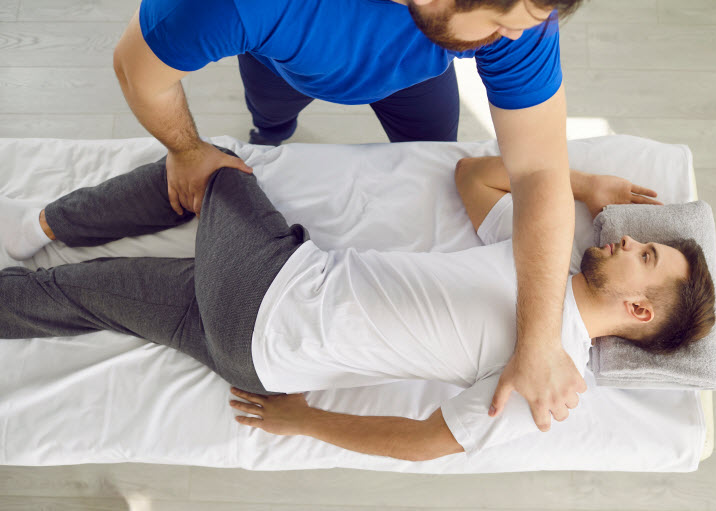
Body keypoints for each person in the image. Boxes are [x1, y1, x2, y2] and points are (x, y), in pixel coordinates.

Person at [0, 147, 716, 460]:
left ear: (640, 312)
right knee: (78, 296)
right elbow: (474, 178)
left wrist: (307, 420)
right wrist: (579, 180)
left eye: (644, 257)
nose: (624, 241)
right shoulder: (542, 259)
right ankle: (39, 251)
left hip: (267, 297)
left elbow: (431, 441)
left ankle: (41, 224)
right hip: (252, 347)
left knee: (213, 167)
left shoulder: (554, 380)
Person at [113, 0, 588, 430]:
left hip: (417, 75)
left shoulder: (524, 17)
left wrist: (541, 340)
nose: (512, 36)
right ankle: (272, 133)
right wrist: (188, 151)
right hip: (283, 65)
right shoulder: (242, 7)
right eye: (500, 25)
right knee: (272, 121)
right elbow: (137, 71)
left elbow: (539, 170)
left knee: (431, 154)